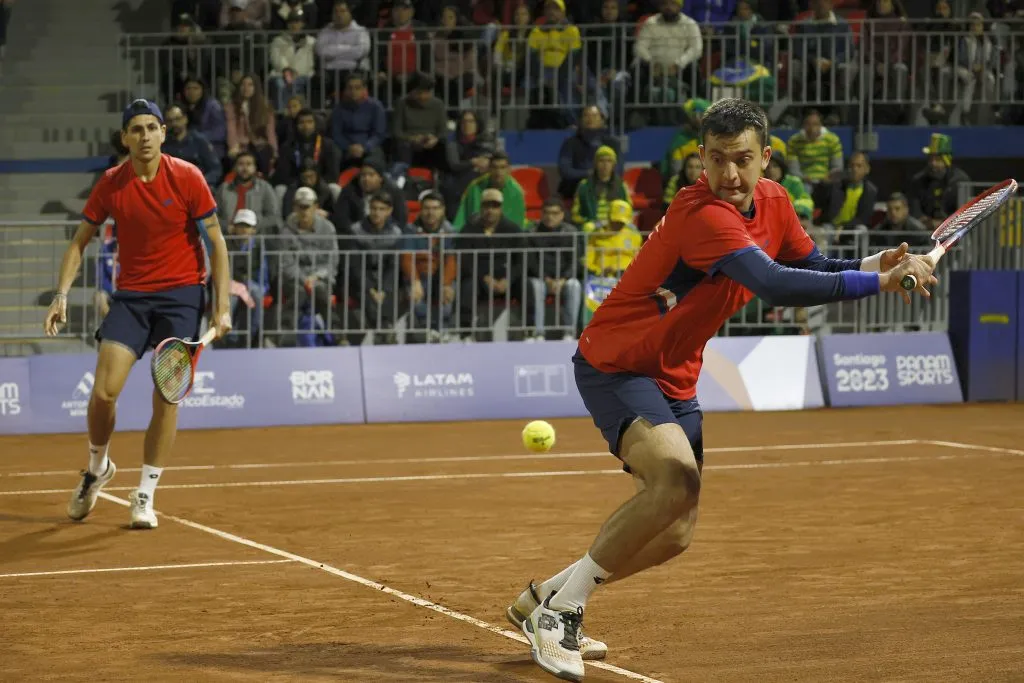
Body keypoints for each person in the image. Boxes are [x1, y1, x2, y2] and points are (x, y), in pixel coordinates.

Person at [507, 98, 938, 682]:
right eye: (716, 160)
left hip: (677, 372)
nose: (729, 174)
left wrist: (873, 260)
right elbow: (775, 284)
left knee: (677, 531)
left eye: (742, 160)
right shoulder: (702, 214)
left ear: (767, 159)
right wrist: (879, 281)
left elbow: (809, 263)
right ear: (699, 161)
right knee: (674, 478)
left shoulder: (776, 203)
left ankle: (545, 597)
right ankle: (562, 613)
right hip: (619, 361)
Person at [43, 99, 232, 530]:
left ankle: (145, 491)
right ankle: (97, 467)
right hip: (132, 297)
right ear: (125, 137)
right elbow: (78, 243)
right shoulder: (112, 183)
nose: (144, 136)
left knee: (168, 392)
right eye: (136, 129)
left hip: (183, 296)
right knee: (104, 393)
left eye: (152, 127)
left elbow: (217, 243)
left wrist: (220, 307)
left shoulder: (187, 177)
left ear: (164, 133)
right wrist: (61, 295)